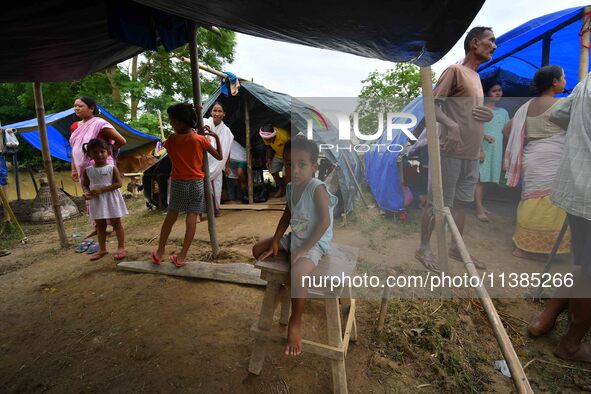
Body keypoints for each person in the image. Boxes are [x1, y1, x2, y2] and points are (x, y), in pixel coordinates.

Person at [415, 26, 497, 272]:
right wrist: (451, 125)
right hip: (449, 151)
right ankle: (423, 248)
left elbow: (470, 115)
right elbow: (431, 105)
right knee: (438, 204)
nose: (494, 46)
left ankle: (455, 247)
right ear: (474, 43)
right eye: (490, 41)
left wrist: (486, 117)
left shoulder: (477, 78)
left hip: (471, 154)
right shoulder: (455, 71)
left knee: (462, 203)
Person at [252, 136, 337, 356]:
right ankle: (284, 287)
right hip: (296, 235)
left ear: (314, 167)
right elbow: (287, 215)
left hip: (315, 241)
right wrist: (275, 241)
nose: (295, 170)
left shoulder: (317, 188)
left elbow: (324, 222)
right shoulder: (290, 187)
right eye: (289, 164)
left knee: (298, 273)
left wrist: (304, 249)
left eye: (302, 164)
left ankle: (295, 322)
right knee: (257, 250)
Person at [527, 73, 591, 363]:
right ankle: (571, 343)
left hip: (576, 185)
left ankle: (546, 318)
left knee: (584, 265)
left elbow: (561, 115)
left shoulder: (587, 81)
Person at [504, 65, 570, 260]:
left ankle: (523, 245)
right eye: (564, 77)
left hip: (531, 156)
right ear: (554, 82)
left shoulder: (525, 107)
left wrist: (527, 137)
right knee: (551, 202)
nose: (565, 81)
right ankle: (546, 248)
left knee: (531, 198)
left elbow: (507, 130)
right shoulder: (562, 105)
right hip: (552, 157)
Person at [151, 103, 223, 267]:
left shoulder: (171, 140)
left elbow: (169, 143)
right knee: (192, 219)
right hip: (197, 183)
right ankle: (182, 257)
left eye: (171, 120)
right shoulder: (200, 139)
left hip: (178, 183)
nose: (170, 123)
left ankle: (160, 251)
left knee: (170, 218)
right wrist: (216, 137)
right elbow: (219, 156)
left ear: (178, 122)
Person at [70, 96, 127, 245]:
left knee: (107, 195)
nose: (76, 108)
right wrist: (74, 168)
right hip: (86, 169)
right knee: (92, 195)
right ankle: (98, 225)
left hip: (102, 166)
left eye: (80, 106)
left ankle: (113, 225)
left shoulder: (100, 124)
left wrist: (106, 153)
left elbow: (121, 141)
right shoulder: (75, 127)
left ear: (91, 108)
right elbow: (75, 149)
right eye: (75, 106)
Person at [81, 139, 128, 261]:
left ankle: (121, 248)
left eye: (102, 151)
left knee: (116, 224)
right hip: (96, 201)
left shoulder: (112, 168)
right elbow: (85, 185)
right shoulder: (88, 171)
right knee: (100, 226)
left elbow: (118, 184)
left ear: (108, 152)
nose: (99, 155)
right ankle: (102, 249)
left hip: (111, 199)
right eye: (95, 152)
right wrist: (86, 193)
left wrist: (102, 190)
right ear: (89, 154)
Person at [474, 80, 510, 221]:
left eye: (499, 90)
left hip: (496, 150)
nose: (498, 93)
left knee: (487, 179)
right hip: (482, 148)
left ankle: (480, 205)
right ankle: (478, 209)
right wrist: (482, 142)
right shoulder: (480, 109)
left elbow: (507, 131)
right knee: (480, 179)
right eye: (494, 90)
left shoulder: (503, 112)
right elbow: (473, 130)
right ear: (486, 93)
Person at [203, 102, 233, 216]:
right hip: (204, 162)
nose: (217, 113)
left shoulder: (227, 131)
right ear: (211, 112)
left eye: (220, 111)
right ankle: (201, 211)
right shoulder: (204, 122)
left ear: (224, 114)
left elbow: (227, 149)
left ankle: (215, 209)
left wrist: (227, 165)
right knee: (204, 186)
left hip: (218, 163)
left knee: (217, 187)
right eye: (215, 110)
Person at [260, 124, 290, 198]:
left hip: (289, 156)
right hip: (279, 155)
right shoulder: (266, 137)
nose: (266, 140)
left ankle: (288, 192)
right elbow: (268, 147)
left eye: (268, 139)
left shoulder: (284, 136)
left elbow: (290, 148)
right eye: (265, 139)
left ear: (273, 136)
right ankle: (281, 188)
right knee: (272, 169)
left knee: (287, 173)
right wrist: (268, 159)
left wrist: (287, 162)